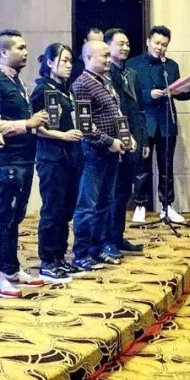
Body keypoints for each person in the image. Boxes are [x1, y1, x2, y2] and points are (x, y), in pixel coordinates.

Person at [0, 30, 49, 297]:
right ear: (3, 52)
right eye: (20, 48)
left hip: (24, 157)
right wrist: (27, 124)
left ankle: (10, 268)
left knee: (15, 216)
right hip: (5, 160)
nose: (26, 52)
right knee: (1, 217)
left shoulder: (16, 80)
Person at [129, 25, 190, 224]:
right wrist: (149, 94)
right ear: (148, 42)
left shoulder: (171, 66)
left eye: (164, 45)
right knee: (142, 166)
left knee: (166, 166)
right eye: (157, 43)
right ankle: (140, 204)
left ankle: (167, 206)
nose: (160, 47)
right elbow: (130, 95)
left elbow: (178, 92)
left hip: (166, 121)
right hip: (145, 122)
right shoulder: (133, 64)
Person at [29, 42, 84, 283]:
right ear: (50, 63)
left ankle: (60, 257)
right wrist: (63, 135)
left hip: (70, 157)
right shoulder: (43, 90)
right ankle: (48, 260)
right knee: (52, 209)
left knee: (65, 209)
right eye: (64, 61)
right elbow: (38, 127)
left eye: (71, 61)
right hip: (51, 158)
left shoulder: (65, 90)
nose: (69, 66)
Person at [71, 41, 128, 270]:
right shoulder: (82, 84)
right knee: (88, 206)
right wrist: (109, 141)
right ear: (88, 58)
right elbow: (85, 126)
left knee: (104, 204)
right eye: (104, 56)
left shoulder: (105, 81)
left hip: (111, 152)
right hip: (93, 153)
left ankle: (96, 249)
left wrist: (125, 137)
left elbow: (115, 113)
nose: (108, 60)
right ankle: (81, 254)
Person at [104, 29, 146, 255]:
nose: (125, 48)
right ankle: (107, 240)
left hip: (133, 139)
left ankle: (117, 237)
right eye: (120, 43)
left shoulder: (132, 74)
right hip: (113, 142)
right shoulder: (104, 75)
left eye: (127, 44)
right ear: (107, 46)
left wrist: (143, 139)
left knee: (123, 193)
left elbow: (139, 110)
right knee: (111, 194)